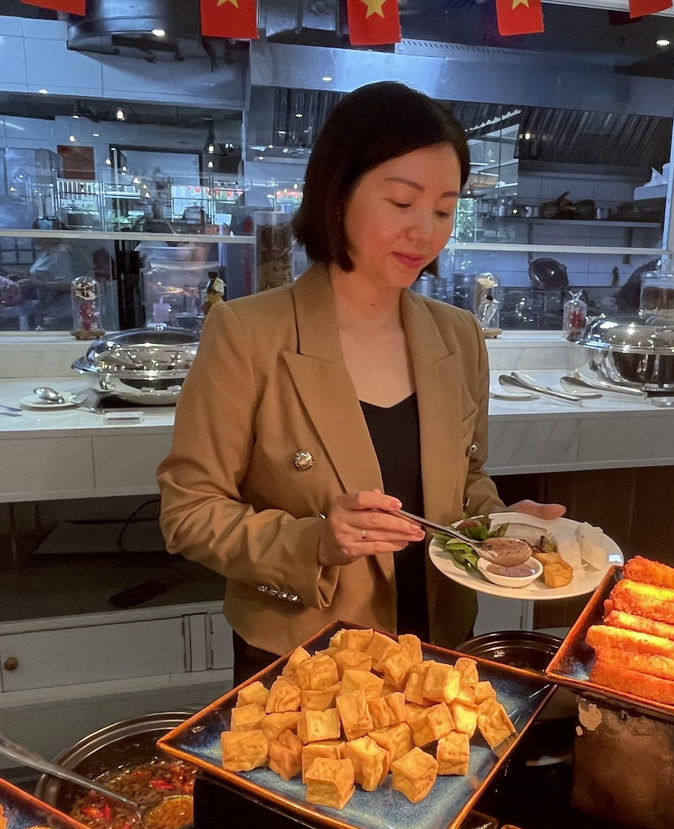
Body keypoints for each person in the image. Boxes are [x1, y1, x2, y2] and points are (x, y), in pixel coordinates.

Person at [157, 82, 564, 684]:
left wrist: (503, 526)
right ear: (338, 192)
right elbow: (188, 512)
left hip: (440, 648)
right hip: (305, 663)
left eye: (445, 209)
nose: (425, 232)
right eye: (402, 203)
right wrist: (316, 541)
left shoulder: (457, 335)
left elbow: (465, 484)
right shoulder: (248, 332)